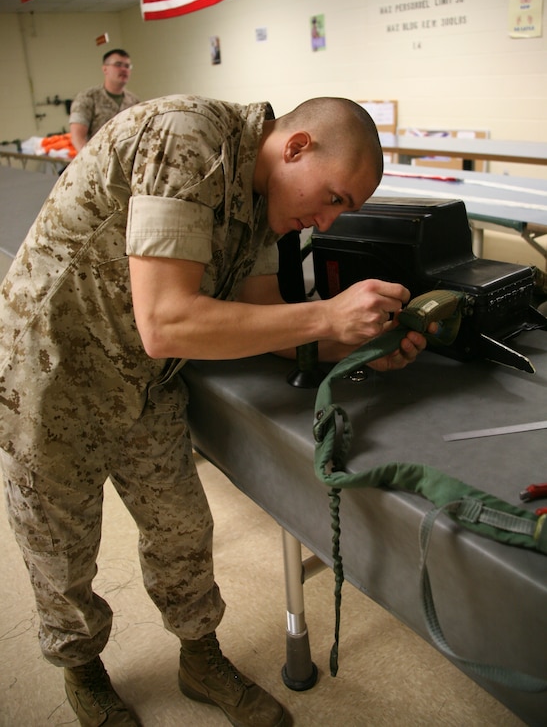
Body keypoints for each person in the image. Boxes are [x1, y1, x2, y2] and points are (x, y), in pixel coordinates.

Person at [0, 95, 433, 727]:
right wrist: (328, 313)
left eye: (346, 209)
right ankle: (83, 669)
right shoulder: (189, 137)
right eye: (335, 197)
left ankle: (199, 656)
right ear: (295, 146)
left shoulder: (263, 201)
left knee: (180, 528)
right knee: (61, 546)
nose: (331, 222)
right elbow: (167, 321)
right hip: (51, 369)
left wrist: (355, 343)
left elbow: (261, 317)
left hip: (144, 377)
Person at [69, 48, 139, 152]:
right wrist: (91, 163)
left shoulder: (134, 102)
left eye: (127, 66)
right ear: (105, 69)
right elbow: (77, 138)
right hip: (97, 158)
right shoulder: (87, 97)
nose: (124, 69)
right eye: (118, 64)